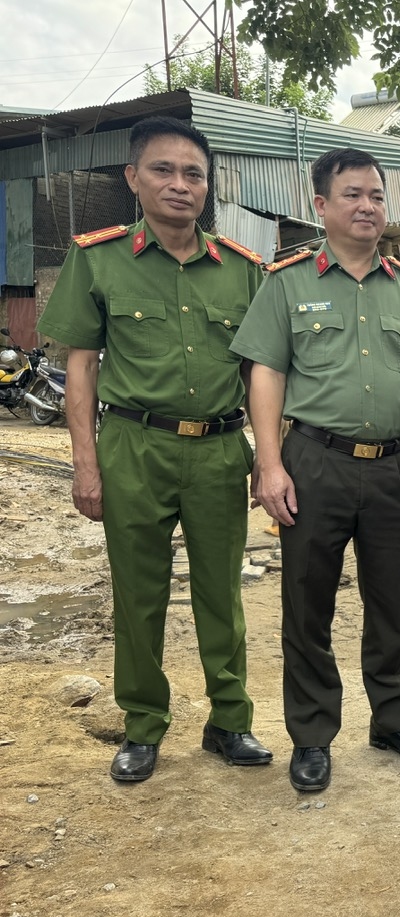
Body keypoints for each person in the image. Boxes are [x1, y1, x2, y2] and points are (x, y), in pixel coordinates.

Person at [37, 117, 272, 783]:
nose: (180, 184)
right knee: (138, 596)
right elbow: (80, 368)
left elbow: (261, 374)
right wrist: (86, 464)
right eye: (164, 170)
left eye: (193, 173)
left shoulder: (243, 271)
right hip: (134, 446)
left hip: (220, 452)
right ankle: (143, 726)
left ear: (207, 188)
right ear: (132, 178)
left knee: (220, 595)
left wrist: (267, 456)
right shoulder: (99, 257)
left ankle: (230, 721)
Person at [232, 147, 400, 793]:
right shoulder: (287, 282)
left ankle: (393, 719)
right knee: (308, 602)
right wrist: (270, 464)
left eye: (377, 196)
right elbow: (266, 373)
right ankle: (311, 735)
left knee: (392, 602)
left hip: (395, 467)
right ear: (321, 205)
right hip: (315, 464)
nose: (367, 206)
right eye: (353, 194)